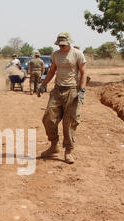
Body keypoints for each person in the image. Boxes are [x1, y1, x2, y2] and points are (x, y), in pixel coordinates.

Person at [39, 32, 88, 164]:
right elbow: (51, 71)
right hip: (57, 90)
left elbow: (83, 73)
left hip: (72, 91)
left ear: (69, 43)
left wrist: (82, 90)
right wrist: (43, 85)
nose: (61, 47)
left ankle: (68, 151)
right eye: (59, 44)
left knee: (69, 123)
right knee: (48, 118)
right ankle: (54, 146)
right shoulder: (55, 55)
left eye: (63, 45)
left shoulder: (77, 54)